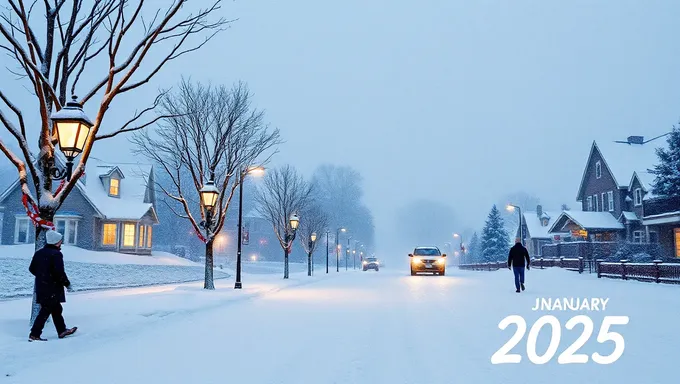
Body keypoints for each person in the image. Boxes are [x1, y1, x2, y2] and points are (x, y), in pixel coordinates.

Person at [28, 230, 78, 342]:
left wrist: (42, 277)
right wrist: (67, 283)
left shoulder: (39, 253)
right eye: (60, 240)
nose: (61, 242)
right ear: (57, 242)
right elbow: (59, 272)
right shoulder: (56, 254)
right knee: (45, 310)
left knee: (56, 309)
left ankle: (62, 330)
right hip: (53, 287)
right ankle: (34, 334)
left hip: (41, 286)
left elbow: (32, 268)